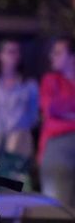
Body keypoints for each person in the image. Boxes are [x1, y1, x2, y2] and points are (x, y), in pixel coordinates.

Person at [0, 39, 38, 191]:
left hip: (19, 145)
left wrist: (18, 130)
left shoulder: (29, 85)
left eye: (17, 52)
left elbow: (34, 116)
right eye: (10, 51)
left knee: (17, 188)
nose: (14, 56)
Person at [38, 37, 75, 210]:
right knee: (57, 211)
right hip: (57, 152)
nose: (52, 56)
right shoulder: (51, 80)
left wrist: (66, 114)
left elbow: (60, 109)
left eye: (58, 52)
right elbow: (51, 109)